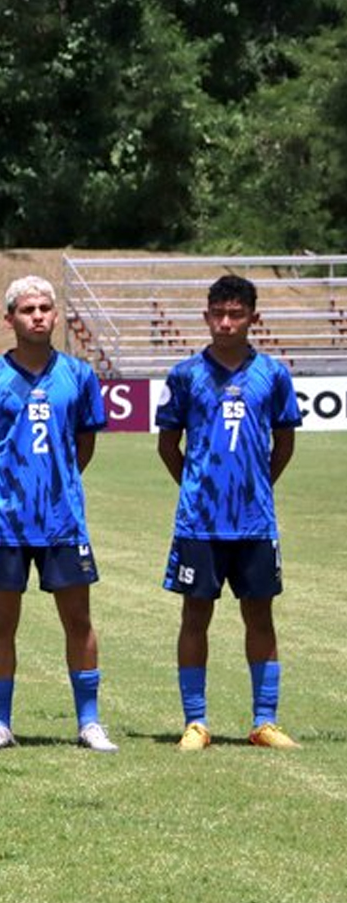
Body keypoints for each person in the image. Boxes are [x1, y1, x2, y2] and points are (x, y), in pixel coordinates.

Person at [0, 277, 117, 752]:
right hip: (3, 522)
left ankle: (89, 722)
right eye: (27, 309)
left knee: (79, 621)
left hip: (62, 519)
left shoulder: (79, 375)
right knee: (2, 623)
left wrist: (58, 485)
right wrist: (1, 491)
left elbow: (84, 443)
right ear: (10, 319)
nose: (39, 316)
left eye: (46, 307)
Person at [158, 274, 302, 751]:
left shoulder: (273, 374)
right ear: (206, 316)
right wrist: (197, 488)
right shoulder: (185, 375)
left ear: (252, 318)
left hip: (255, 521)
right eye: (217, 313)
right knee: (194, 615)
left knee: (259, 616)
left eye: (235, 314)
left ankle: (265, 721)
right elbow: (167, 444)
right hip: (199, 521)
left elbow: (284, 441)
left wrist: (256, 488)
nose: (225, 323)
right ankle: (195, 722)